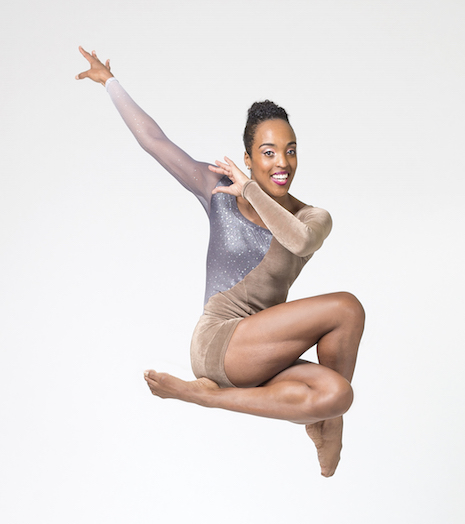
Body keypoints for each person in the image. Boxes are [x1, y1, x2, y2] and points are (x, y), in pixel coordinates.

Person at [76, 46, 365, 477]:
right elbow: (155, 143)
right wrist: (110, 82)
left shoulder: (312, 217)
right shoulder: (218, 192)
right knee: (346, 307)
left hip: (264, 355)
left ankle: (319, 419)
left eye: (291, 151)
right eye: (268, 152)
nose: (282, 163)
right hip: (220, 343)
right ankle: (208, 394)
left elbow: (299, 240)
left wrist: (250, 191)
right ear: (247, 159)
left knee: (338, 393)